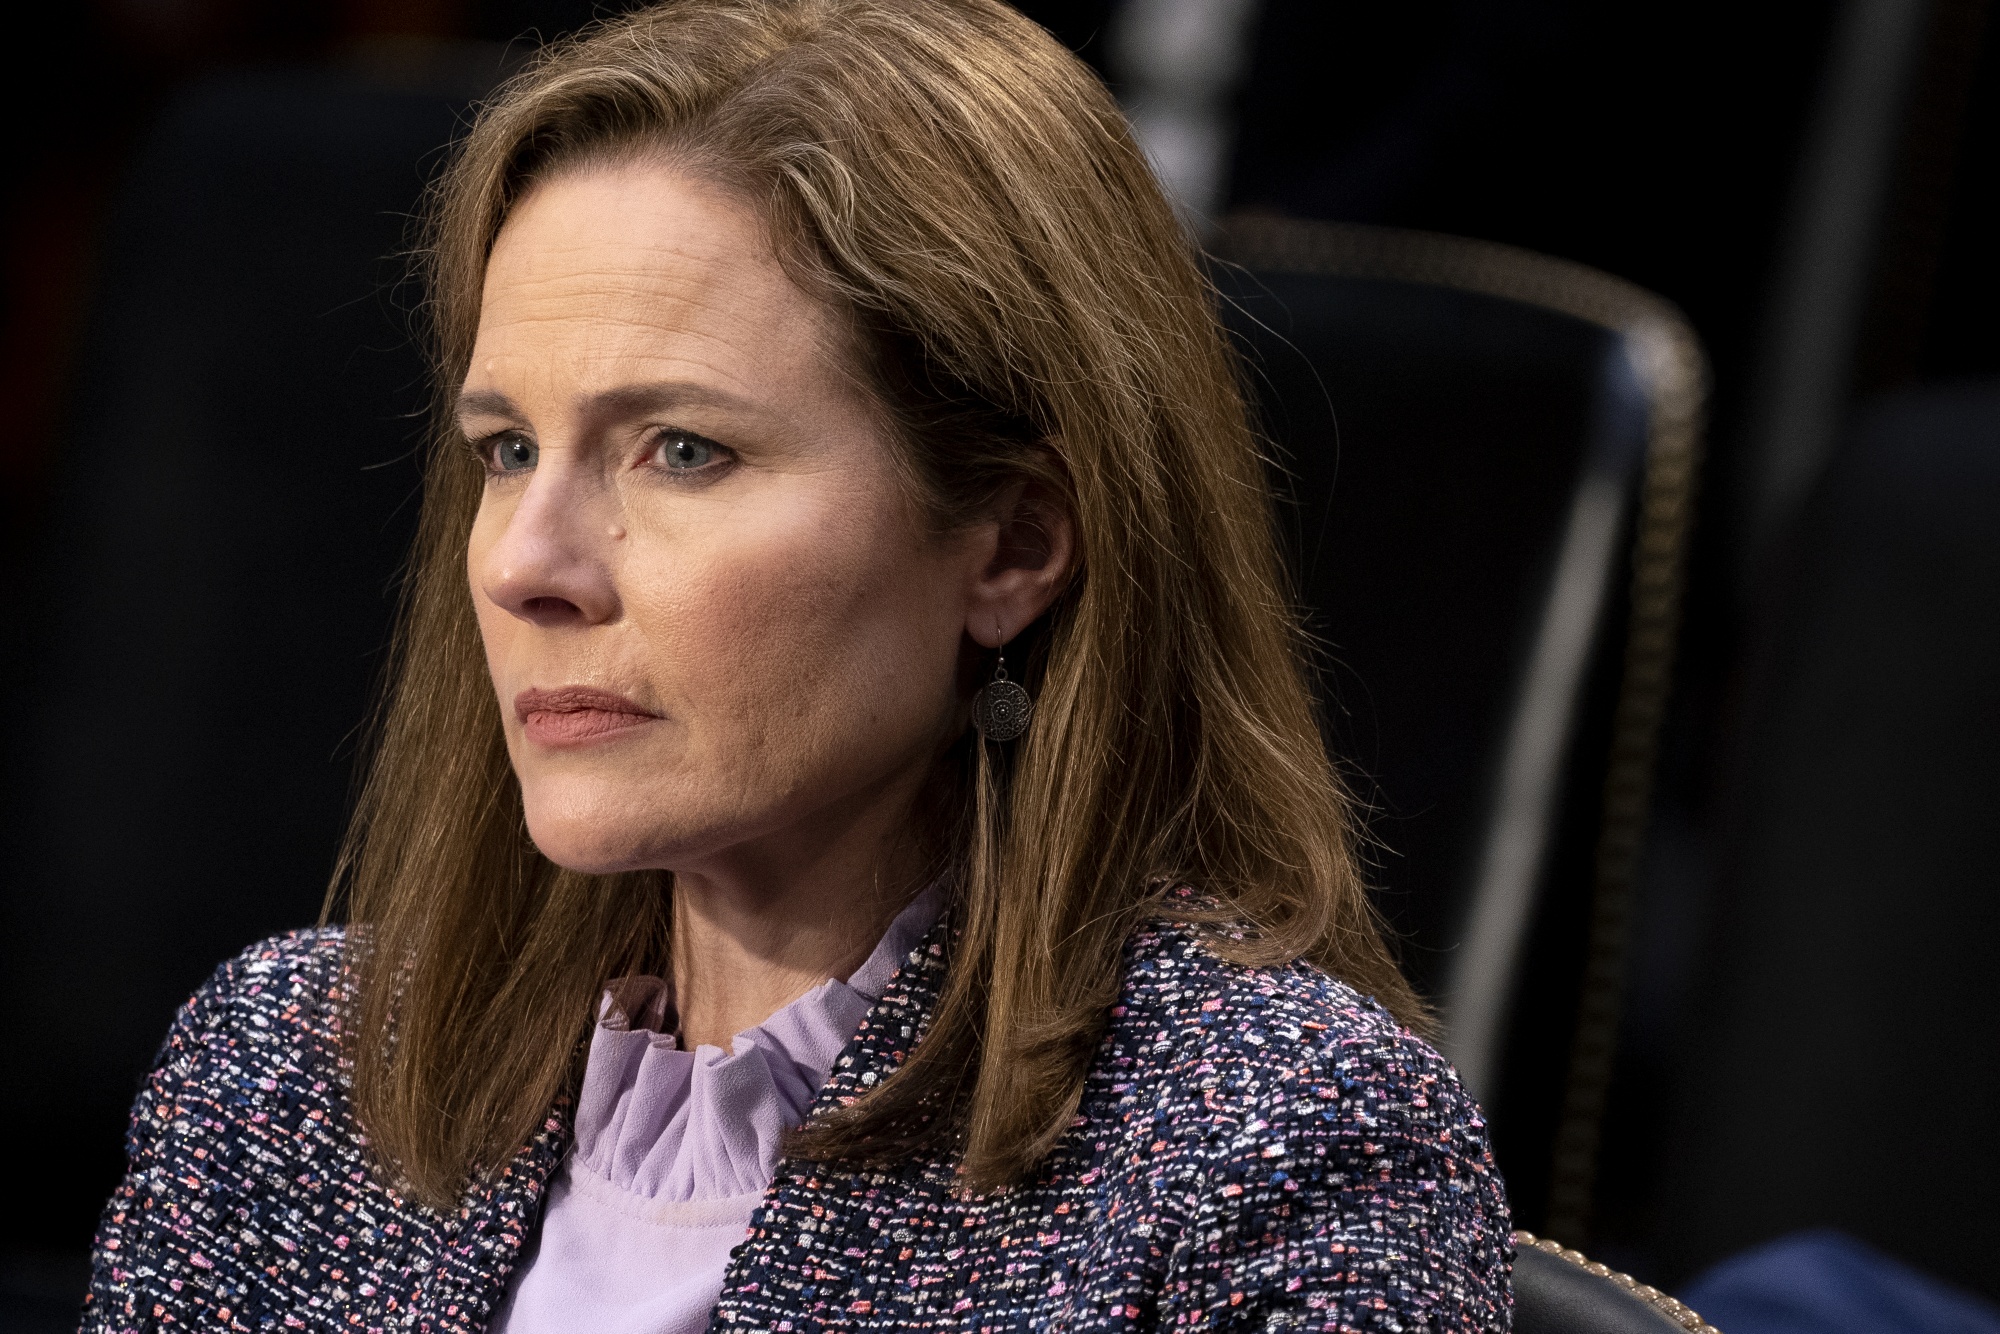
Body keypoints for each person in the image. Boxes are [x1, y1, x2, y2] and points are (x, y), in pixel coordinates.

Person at [81, 1, 1512, 1329]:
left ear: (1013, 545)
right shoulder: (288, 1074)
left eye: (683, 451)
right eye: (507, 448)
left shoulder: (1270, 1151)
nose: (526, 561)